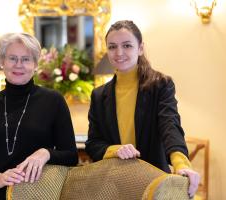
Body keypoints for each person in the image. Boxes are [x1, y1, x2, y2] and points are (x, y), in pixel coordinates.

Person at [85, 20, 200, 198]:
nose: (119, 53)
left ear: (140, 48)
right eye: (112, 47)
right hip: (115, 186)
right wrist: (115, 150)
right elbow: (93, 144)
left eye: (127, 45)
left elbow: (170, 126)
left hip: (155, 183)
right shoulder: (98, 95)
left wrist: (181, 163)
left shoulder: (161, 85)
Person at [0, 33, 78, 200]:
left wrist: (46, 153)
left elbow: (71, 156)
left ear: (36, 64)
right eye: (12, 58)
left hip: (33, 195)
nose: (19, 65)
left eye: (26, 59)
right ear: (2, 62)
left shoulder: (54, 101)